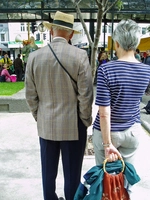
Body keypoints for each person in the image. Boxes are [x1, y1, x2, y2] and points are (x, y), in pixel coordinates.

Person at [25, 11, 93, 200]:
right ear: (71, 34)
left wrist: (39, 116)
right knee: (72, 175)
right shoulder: (79, 56)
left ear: (51, 32)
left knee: (48, 173)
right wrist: (85, 120)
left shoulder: (34, 57)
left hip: (46, 125)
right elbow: (86, 95)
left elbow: (30, 95)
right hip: (73, 126)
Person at [92, 19, 150, 167]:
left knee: (105, 179)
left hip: (108, 133)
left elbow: (104, 112)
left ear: (117, 43)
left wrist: (107, 145)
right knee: (126, 177)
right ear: (136, 43)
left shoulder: (106, 70)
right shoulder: (146, 71)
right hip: (132, 131)